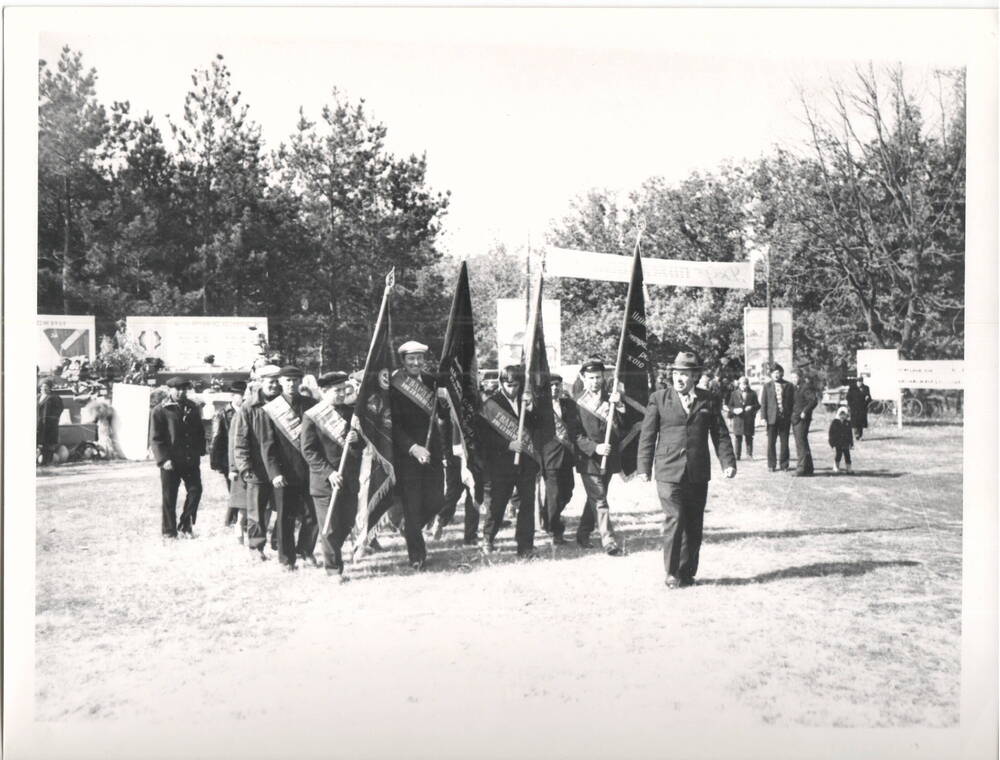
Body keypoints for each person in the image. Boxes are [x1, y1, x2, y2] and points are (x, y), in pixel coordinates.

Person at [636, 351, 736, 588]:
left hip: (697, 472)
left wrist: (728, 462)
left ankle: (687, 572)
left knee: (694, 523)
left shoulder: (708, 399)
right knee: (675, 517)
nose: (679, 378)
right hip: (668, 471)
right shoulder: (659, 398)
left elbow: (720, 434)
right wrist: (643, 466)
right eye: (676, 373)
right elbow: (648, 435)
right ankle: (671, 573)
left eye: (685, 374)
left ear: (696, 376)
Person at [300, 371, 365, 576]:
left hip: (349, 478)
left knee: (346, 521)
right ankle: (334, 569)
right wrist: (328, 473)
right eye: (336, 391)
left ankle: (334, 554)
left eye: (343, 390)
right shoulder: (312, 416)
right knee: (329, 526)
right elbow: (308, 450)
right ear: (323, 391)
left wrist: (356, 439)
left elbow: (360, 445)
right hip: (325, 482)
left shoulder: (350, 413)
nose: (341, 394)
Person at [389, 341, 447, 570]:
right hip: (407, 455)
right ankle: (417, 554)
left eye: (419, 359)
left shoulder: (433, 382)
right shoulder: (394, 385)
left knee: (436, 501)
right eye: (411, 359)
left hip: (432, 450)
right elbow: (392, 425)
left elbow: (442, 413)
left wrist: (443, 402)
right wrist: (413, 448)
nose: (416, 363)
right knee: (412, 504)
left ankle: (408, 527)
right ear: (403, 361)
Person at [258, 365, 319, 569]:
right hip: (284, 472)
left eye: (295, 379)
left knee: (313, 514)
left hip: (311, 469)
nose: (291, 384)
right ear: (280, 382)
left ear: (300, 381)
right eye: (287, 380)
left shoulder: (312, 404)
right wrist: (274, 472)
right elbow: (267, 445)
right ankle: (286, 559)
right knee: (286, 517)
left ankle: (306, 550)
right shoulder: (271, 409)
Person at [477, 365, 539, 558]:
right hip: (500, 464)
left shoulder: (526, 402)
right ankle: (488, 539)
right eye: (507, 384)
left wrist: (531, 409)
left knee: (527, 505)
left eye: (515, 384)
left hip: (526, 463)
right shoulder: (491, 405)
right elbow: (483, 437)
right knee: (498, 504)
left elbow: (538, 427)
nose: (511, 388)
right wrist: (507, 445)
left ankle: (525, 545)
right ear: (501, 383)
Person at [572, 359, 623, 555]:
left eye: (598, 377)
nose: (595, 381)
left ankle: (583, 533)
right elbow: (575, 435)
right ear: (583, 379)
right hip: (589, 459)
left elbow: (624, 424)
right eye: (591, 378)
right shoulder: (576, 402)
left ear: (604, 378)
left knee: (596, 498)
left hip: (608, 459)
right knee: (600, 499)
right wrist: (595, 448)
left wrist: (618, 406)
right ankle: (608, 540)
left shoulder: (612, 399)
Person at [233, 364, 282, 562]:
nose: (275, 386)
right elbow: (240, 441)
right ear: (261, 383)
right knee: (256, 512)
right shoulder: (249, 408)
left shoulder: (284, 403)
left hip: (282, 468)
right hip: (257, 469)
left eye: (278, 382)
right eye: (271, 382)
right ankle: (256, 547)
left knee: (285, 508)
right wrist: (245, 467)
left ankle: (281, 544)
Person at [150, 377, 206, 538]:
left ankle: (185, 524)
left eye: (184, 389)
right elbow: (155, 438)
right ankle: (169, 532)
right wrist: (163, 460)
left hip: (190, 459)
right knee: (169, 497)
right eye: (177, 389)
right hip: (170, 462)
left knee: (196, 491)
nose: (181, 392)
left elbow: (199, 431)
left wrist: (200, 450)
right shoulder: (160, 410)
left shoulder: (192, 407)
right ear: (169, 390)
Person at [541, 373, 577, 545]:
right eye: (551, 385)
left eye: (557, 385)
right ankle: (556, 532)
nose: (554, 388)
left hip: (568, 457)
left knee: (568, 491)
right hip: (549, 458)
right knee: (554, 496)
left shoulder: (569, 404)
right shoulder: (540, 407)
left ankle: (546, 516)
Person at [210, 381, 247, 517]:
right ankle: (233, 519)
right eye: (240, 395)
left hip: (244, 454)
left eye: (244, 394)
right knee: (233, 488)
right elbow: (216, 438)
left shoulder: (247, 411)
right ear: (232, 396)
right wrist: (216, 462)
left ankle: (236, 518)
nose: (243, 398)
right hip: (228, 457)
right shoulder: (222, 413)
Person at [759, 363, 795, 472]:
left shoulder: (788, 385)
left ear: (781, 373)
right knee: (771, 442)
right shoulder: (767, 386)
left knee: (784, 442)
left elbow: (792, 402)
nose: (776, 375)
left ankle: (784, 464)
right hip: (771, 418)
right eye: (774, 373)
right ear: (771, 374)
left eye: (778, 373)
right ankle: (771, 464)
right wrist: (763, 417)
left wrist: (792, 415)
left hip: (784, 418)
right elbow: (764, 403)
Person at [790, 370, 819, 476]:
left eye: (795, 377)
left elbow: (813, 401)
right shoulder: (794, 388)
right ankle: (809, 469)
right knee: (803, 443)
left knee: (801, 444)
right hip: (795, 419)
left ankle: (801, 469)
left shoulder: (805, 387)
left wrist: (805, 411)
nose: (793, 379)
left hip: (802, 419)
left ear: (800, 377)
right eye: (792, 377)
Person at [725, 376, 760, 460]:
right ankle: (737, 455)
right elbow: (730, 405)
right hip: (738, 419)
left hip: (749, 419)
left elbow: (758, 405)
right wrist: (734, 410)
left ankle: (749, 454)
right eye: (742, 384)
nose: (744, 386)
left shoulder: (753, 393)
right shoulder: (734, 393)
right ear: (739, 384)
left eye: (746, 384)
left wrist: (751, 407)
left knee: (749, 437)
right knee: (738, 437)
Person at [36, 378, 64, 465]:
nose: (43, 388)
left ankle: (48, 462)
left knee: (49, 444)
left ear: (50, 388)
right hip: (39, 424)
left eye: (46, 387)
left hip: (49, 425)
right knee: (40, 443)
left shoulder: (55, 398)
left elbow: (59, 409)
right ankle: (41, 462)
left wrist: (53, 419)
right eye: (42, 386)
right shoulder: (38, 397)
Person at [846, 376, 873, 441]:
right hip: (854, 408)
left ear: (862, 382)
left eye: (860, 381)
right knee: (855, 423)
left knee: (861, 423)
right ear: (856, 382)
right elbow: (848, 397)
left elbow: (869, 397)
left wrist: (868, 398)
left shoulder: (866, 388)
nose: (859, 383)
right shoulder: (852, 388)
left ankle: (860, 435)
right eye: (858, 381)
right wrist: (850, 405)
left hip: (862, 408)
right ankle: (856, 435)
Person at [828, 406, 854, 473]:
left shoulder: (847, 423)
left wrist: (851, 443)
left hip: (845, 442)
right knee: (838, 454)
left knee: (847, 455)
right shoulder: (835, 422)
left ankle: (849, 468)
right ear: (838, 414)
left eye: (844, 415)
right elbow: (831, 433)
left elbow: (850, 434)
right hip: (838, 442)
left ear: (846, 415)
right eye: (841, 415)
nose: (842, 416)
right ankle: (836, 466)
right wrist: (832, 442)